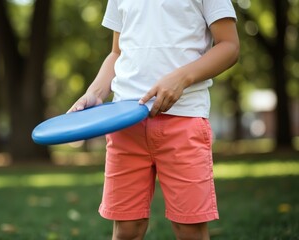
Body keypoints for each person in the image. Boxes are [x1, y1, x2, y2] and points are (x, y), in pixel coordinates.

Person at [68, 1, 240, 239]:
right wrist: (95, 93)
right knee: (127, 229)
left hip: (184, 119)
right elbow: (117, 53)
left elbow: (229, 46)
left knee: (189, 229)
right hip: (125, 124)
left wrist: (182, 78)